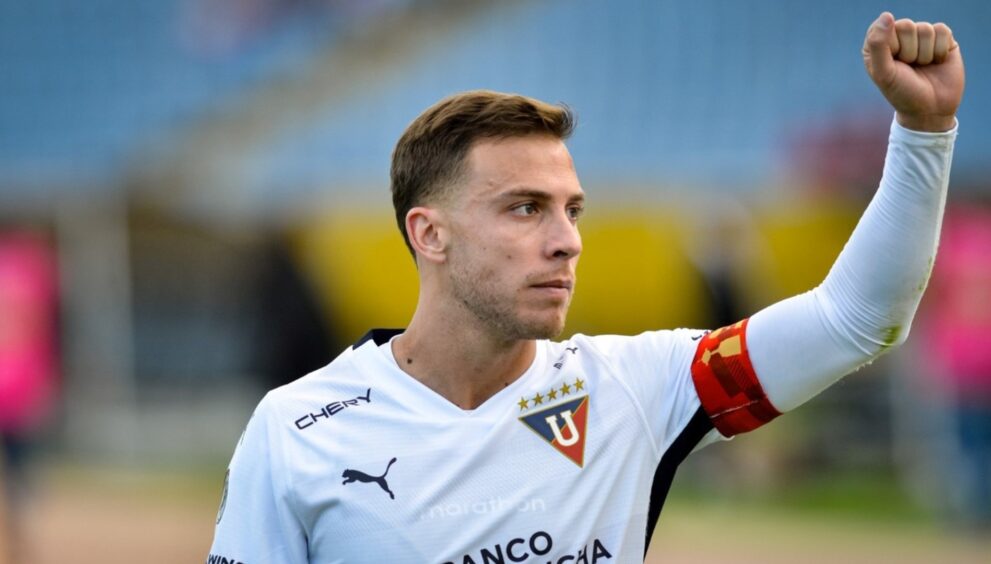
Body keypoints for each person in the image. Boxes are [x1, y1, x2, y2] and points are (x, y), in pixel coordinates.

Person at [208, 13, 964, 563]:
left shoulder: (638, 389)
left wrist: (924, 133)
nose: (566, 239)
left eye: (571, 210)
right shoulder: (298, 428)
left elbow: (855, 317)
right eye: (524, 208)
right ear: (429, 234)